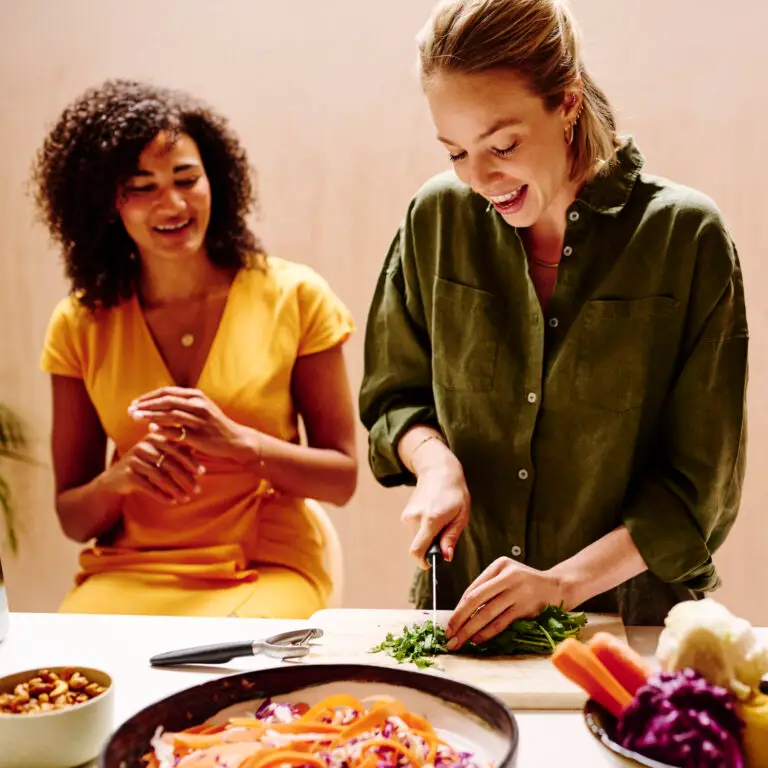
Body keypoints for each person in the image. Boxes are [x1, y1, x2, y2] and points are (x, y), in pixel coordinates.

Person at [359, 0, 748, 646]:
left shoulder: (686, 237)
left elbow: (696, 493)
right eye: (455, 151)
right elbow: (392, 398)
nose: (479, 178)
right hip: (463, 620)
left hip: (626, 631)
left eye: (502, 145)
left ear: (566, 104)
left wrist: (559, 586)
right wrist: (434, 465)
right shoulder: (436, 218)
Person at [34, 79, 358, 618]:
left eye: (187, 178)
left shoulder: (296, 296)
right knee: (73, 675)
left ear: (217, 182)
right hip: (130, 568)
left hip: (265, 565)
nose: (174, 203)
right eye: (142, 187)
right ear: (107, 203)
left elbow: (342, 479)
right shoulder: (79, 323)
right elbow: (73, 517)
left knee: (223, 672)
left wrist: (239, 443)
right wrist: (122, 476)